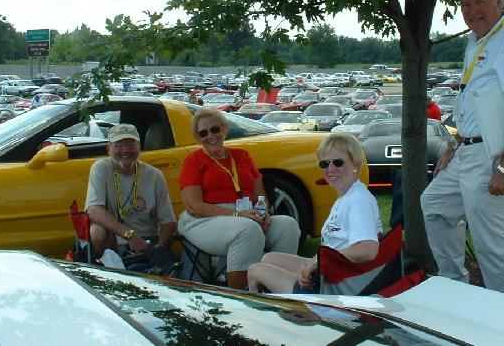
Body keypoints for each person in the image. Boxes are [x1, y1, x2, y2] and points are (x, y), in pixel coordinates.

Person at [421, 0, 504, 297]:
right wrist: (454, 144)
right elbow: (475, 102)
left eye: (480, 1)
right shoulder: (478, 40)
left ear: (500, 2)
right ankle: (456, 289)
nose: (472, 10)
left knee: (494, 246)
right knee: (434, 205)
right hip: (467, 151)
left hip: (492, 156)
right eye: (465, 4)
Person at [178, 108, 300, 289]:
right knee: (247, 229)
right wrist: (237, 214)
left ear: (224, 129)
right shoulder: (193, 161)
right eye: (203, 133)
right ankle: (241, 295)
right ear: (198, 137)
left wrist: (262, 213)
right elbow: (194, 206)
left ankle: (280, 289)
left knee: (287, 225)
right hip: (204, 219)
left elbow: (260, 196)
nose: (210, 136)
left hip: (247, 215)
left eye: (215, 129)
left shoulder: (242, 156)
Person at [247, 133, 382, 294]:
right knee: (269, 258)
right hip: (331, 272)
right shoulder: (347, 196)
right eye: (325, 164)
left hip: (337, 286)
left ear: (356, 164)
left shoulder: (358, 200)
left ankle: (262, 306)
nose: (330, 169)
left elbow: (367, 250)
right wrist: (316, 261)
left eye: (338, 162)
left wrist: (319, 263)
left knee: (255, 271)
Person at [85, 124, 177, 258]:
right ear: (109, 148)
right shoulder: (100, 168)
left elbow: (168, 221)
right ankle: (105, 266)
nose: (125, 150)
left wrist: (158, 250)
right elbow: (93, 210)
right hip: (114, 238)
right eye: (119, 145)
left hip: (148, 239)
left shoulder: (154, 175)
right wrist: (129, 235)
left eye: (130, 144)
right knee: (97, 231)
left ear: (139, 147)